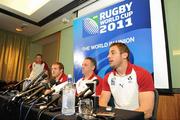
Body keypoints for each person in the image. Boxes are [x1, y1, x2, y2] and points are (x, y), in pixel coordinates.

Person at [99, 43, 154, 119]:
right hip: (117, 117)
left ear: (124, 55)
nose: (108, 56)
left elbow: (147, 111)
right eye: (108, 54)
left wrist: (124, 118)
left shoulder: (142, 74)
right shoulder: (108, 77)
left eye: (113, 53)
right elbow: (102, 103)